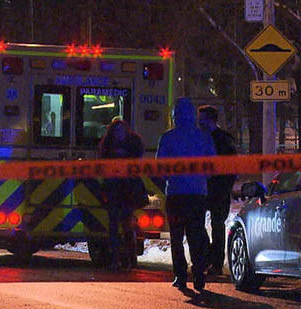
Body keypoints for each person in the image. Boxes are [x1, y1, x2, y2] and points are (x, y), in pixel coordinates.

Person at [156, 97, 216, 291]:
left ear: (175, 115)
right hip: (197, 194)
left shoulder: (168, 138)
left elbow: (160, 167)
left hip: (176, 194)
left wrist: (170, 178)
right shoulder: (204, 137)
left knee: (176, 237)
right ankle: (198, 274)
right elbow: (212, 166)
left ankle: (180, 275)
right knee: (196, 235)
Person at [99, 120, 147, 270]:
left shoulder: (133, 144)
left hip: (128, 191)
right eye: (116, 131)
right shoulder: (108, 145)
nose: (119, 134)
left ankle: (130, 259)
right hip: (114, 190)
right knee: (113, 226)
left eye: (121, 131)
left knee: (128, 226)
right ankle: (115, 259)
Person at [198, 105, 238, 276]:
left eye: (202, 119)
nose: (199, 122)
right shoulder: (204, 137)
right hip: (204, 188)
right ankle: (210, 258)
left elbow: (232, 166)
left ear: (210, 120)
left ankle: (215, 263)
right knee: (199, 224)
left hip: (218, 189)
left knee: (217, 226)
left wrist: (226, 187)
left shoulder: (222, 139)